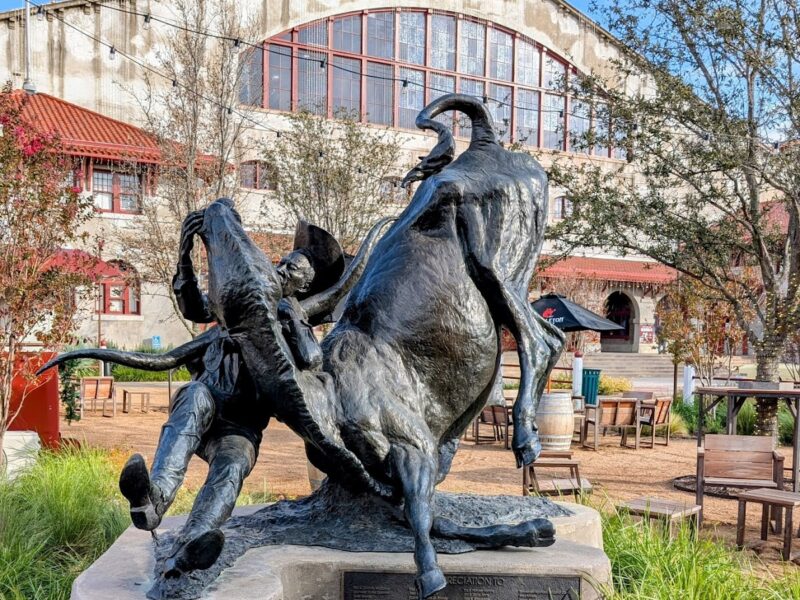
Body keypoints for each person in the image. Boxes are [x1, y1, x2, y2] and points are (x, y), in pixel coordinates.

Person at [118, 204, 349, 577]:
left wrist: (293, 320)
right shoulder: (237, 302)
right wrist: (184, 252)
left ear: (302, 286)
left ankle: (195, 542)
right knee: (192, 398)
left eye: (294, 270)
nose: (283, 268)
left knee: (233, 467)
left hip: (241, 428)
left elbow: (311, 362)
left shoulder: (290, 321)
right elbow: (194, 307)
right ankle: (151, 501)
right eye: (285, 261)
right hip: (208, 401)